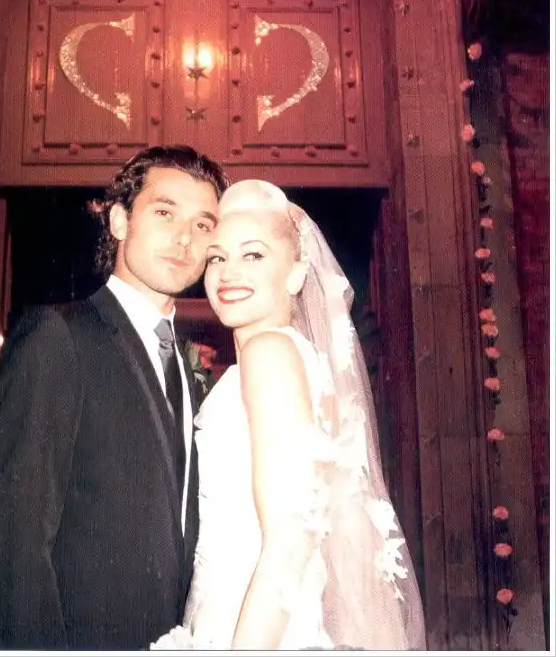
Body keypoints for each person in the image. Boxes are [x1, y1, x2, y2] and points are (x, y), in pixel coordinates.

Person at [152, 179, 426, 650]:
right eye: (217, 257)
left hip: (252, 622)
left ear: (297, 274)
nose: (228, 273)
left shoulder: (270, 355)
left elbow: (289, 539)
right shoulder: (297, 357)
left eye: (253, 255)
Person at [0, 145, 228, 649]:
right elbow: (16, 543)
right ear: (119, 221)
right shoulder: (59, 337)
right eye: (165, 213)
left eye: (203, 224)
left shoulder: (189, 367)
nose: (184, 238)